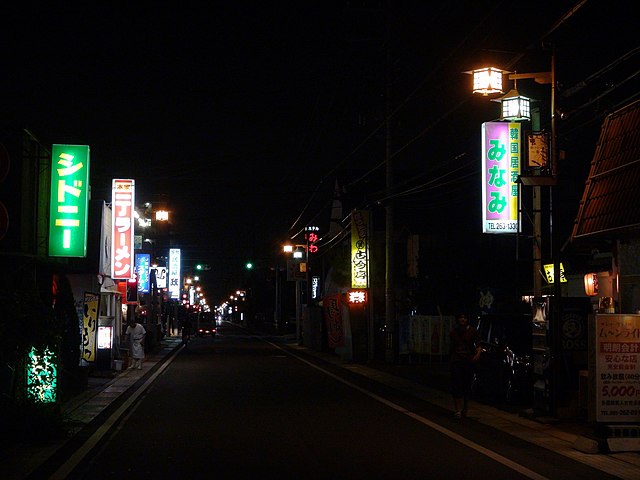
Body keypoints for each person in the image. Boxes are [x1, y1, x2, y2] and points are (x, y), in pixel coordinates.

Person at [449, 313, 481, 418]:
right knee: (456, 385)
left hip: (468, 361)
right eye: (460, 317)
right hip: (457, 361)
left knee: (467, 385)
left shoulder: (472, 331)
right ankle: (457, 410)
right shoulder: (454, 332)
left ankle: (465, 408)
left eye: (464, 318)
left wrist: (477, 354)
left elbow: (478, 345)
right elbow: (451, 347)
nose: (462, 319)